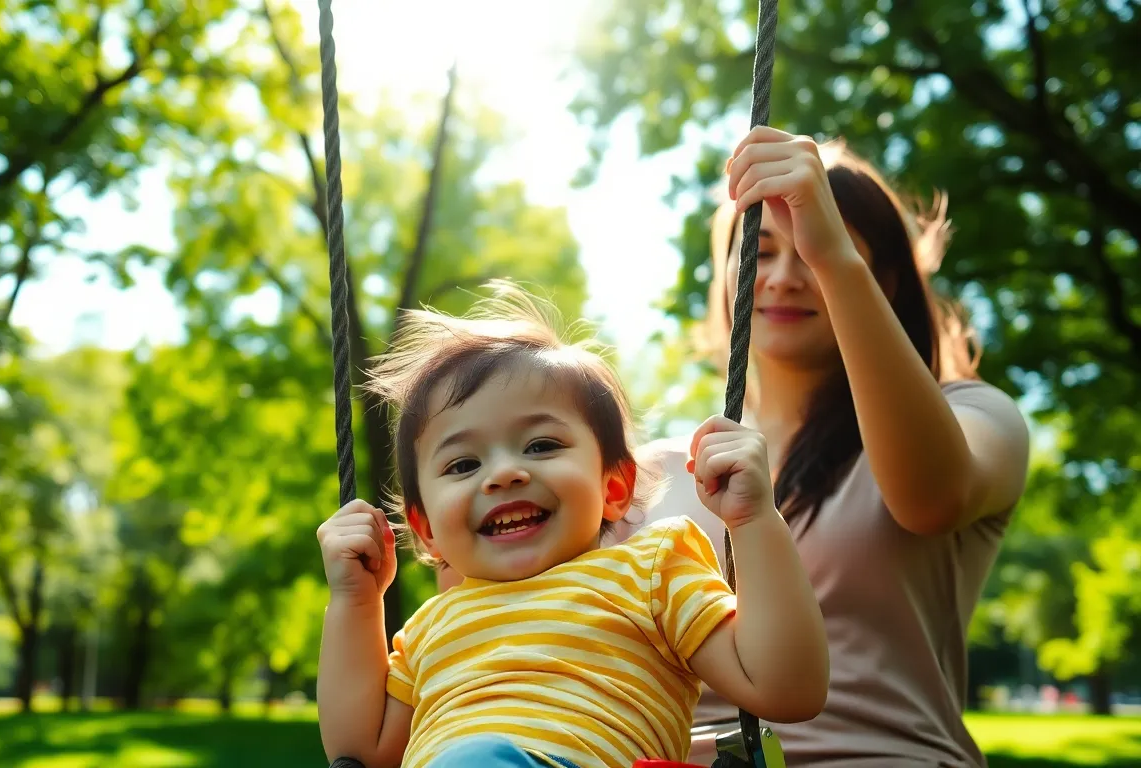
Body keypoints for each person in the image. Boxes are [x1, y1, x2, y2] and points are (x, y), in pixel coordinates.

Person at [624, 128, 1032, 766]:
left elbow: (931, 497)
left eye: (812, 252)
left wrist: (833, 255)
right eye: (759, 249)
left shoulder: (974, 417)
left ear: (884, 279)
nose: (786, 276)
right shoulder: (647, 473)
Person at [315, 283, 830, 768]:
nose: (503, 474)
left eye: (541, 445)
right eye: (462, 464)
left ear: (613, 488)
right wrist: (357, 603)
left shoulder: (649, 570)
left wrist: (755, 521)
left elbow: (787, 688)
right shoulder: (431, 628)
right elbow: (360, 749)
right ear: (425, 528)